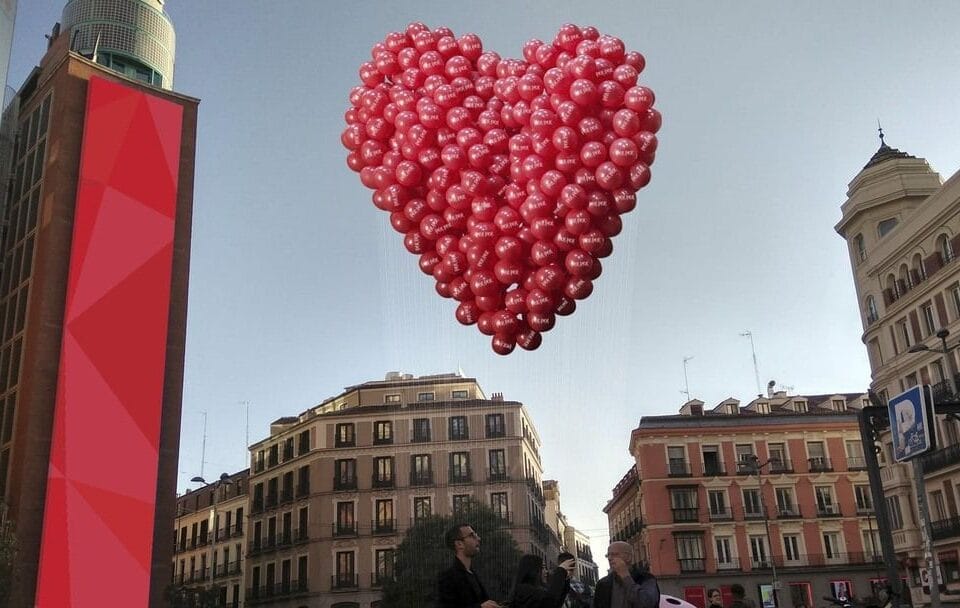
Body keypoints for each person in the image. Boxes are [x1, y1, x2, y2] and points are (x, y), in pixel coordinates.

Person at [437, 523, 500, 608]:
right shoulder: (447, 577)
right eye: (472, 535)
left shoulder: (474, 574)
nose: (478, 538)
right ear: (459, 544)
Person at [593, 541, 660, 608]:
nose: (610, 558)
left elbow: (647, 603)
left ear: (628, 557)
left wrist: (625, 576)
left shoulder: (645, 578)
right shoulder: (603, 583)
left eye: (614, 554)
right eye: (608, 555)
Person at [507, 553, 575, 608]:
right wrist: (560, 571)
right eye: (542, 568)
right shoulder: (524, 590)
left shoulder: (536, 590)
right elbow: (549, 600)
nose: (546, 571)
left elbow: (555, 604)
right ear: (532, 571)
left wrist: (566, 580)